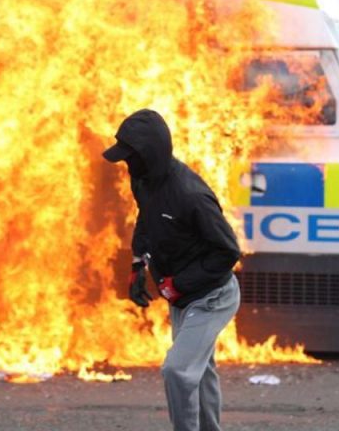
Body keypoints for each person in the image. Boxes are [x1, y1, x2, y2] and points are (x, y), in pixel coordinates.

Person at [102, 109, 241, 431]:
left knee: (177, 371)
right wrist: (138, 264)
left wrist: (180, 283)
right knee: (200, 371)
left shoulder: (191, 195)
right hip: (182, 296)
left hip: (212, 297)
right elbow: (146, 218)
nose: (126, 164)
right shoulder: (143, 180)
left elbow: (228, 251)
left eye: (131, 157)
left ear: (149, 154)